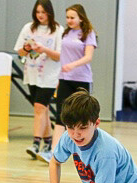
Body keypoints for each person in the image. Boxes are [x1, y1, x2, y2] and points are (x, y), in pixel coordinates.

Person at [38, 3, 96, 164]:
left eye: (72, 17)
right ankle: (54, 152)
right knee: (60, 115)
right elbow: (63, 56)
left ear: (80, 18)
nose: (69, 20)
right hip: (64, 79)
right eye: (67, 17)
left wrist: (73, 65)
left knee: (83, 116)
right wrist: (59, 77)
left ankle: (89, 151)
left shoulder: (87, 33)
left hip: (81, 79)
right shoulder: (66, 33)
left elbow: (88, 57)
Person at [14, 0, 63, 160]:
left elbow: (59, 56)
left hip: (49, 76)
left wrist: (45, 50)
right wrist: (27, 49)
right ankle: (48, 142)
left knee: (39, 107)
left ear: (49, 12)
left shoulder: (57, 30)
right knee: (44, 110)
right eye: (38, 12)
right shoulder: (28, 28)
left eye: (43, 12)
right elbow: (20, 52)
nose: (40, 15)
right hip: (32, 74)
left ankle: (36, 144)